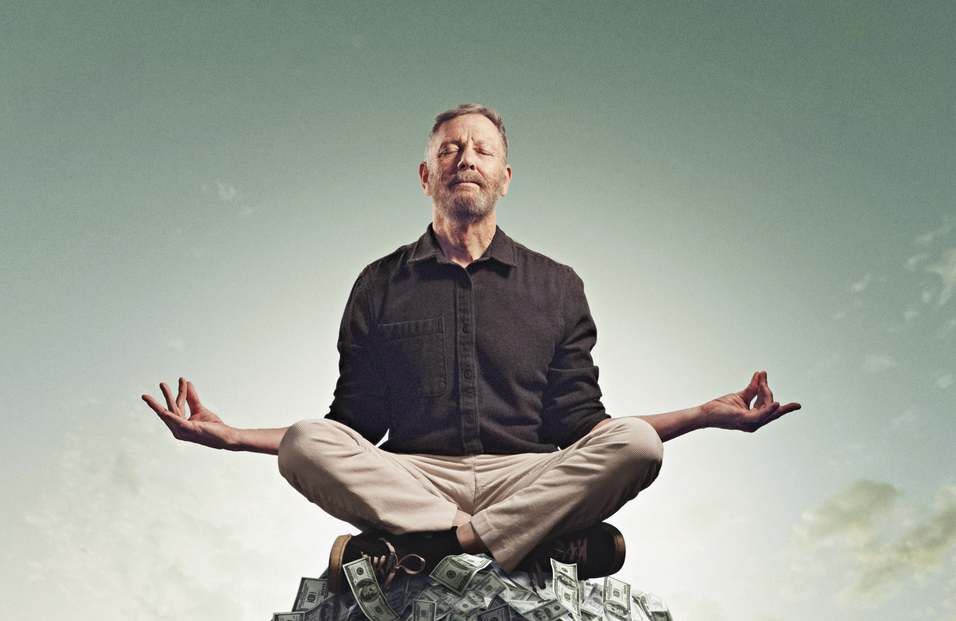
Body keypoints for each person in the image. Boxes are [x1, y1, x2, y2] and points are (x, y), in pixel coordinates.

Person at [144, 104, 799, 592]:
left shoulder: (557, 285)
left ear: (505, 176)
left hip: (527, 473)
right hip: (417, 476)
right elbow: (349, 429)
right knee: (303, 444)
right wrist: (232, 438)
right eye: (450, 150)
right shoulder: (378, 284)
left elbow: (587, 429)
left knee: (638, 446)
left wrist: (706, 416)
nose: (465, 159)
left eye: (481, 150)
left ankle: (435, 546)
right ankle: (545, 543)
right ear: (426, 175)